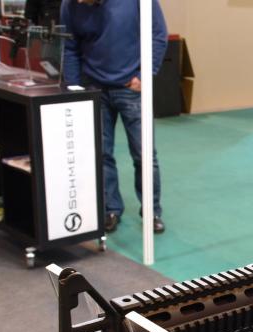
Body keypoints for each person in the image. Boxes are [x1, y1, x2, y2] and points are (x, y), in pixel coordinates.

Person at [61, 0, 168, 234]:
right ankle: (111, 209)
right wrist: (73, 88)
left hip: (131, 88)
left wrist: (146, 74)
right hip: (94, 88)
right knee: (101, 154)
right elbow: (70, 47)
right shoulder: (69, 4)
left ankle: (152, 212)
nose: (80, 2)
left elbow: (158, 35)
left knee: (144, 154)